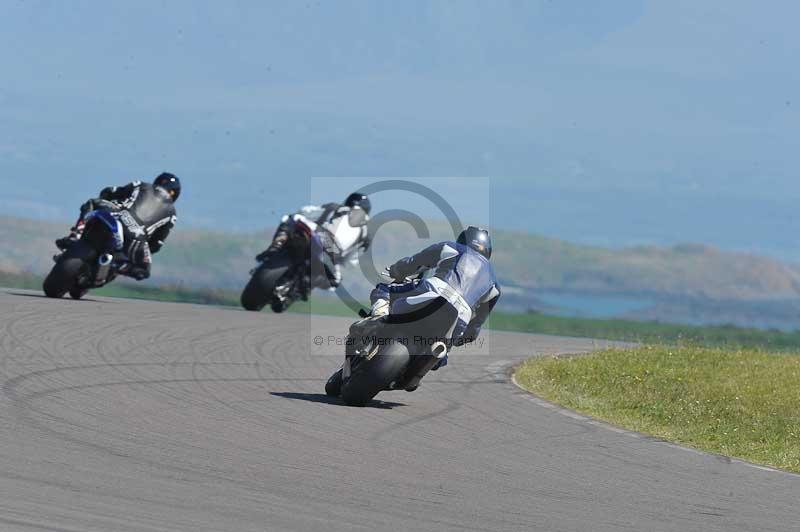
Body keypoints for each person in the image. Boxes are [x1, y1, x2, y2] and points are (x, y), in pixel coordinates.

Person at [352, 226, 501, 387]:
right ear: (488, 251)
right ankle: (422, 368)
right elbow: (475, 326)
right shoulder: (494, 285)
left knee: (384, 289)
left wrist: (396, 270)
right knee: (442, 356)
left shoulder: (451, 247)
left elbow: (414, 262)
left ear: (463, 239)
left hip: (435, 290)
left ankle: (379, 317)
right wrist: (462, 339)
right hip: (461, 315)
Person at [55, 172, 181, 280]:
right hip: (136, 236)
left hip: (116, 215)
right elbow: (157, 244)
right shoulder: (172, 214)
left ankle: (76, 234)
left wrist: (108, 199)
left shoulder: (140, 185)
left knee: (92, 203)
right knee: (143, 271)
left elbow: (110, 191)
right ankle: (119, 266)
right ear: (174, 194)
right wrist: (141, 250)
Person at [256, 191, 371, 288]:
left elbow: (305, 211)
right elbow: (350, 261)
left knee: (292, 218)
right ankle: (305, 284)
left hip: (321, 235)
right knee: (335, 281)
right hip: (334, 253)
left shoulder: (337, 208)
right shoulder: (366, 235)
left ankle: (276, 246)